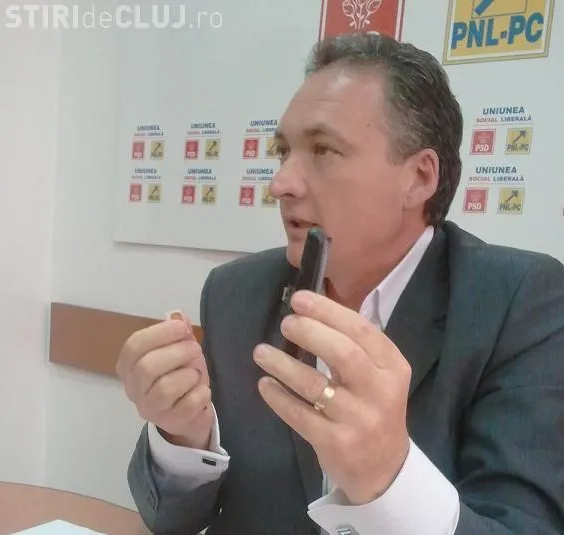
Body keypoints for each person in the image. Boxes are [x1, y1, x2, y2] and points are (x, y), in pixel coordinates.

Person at [116, 33, 564, 535]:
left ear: (419, 177)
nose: (281, 183)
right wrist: (183, 437)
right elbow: (172, 520)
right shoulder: (235, 293)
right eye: (283, 151)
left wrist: (388, 478)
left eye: (324, 150)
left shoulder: (520, 302)